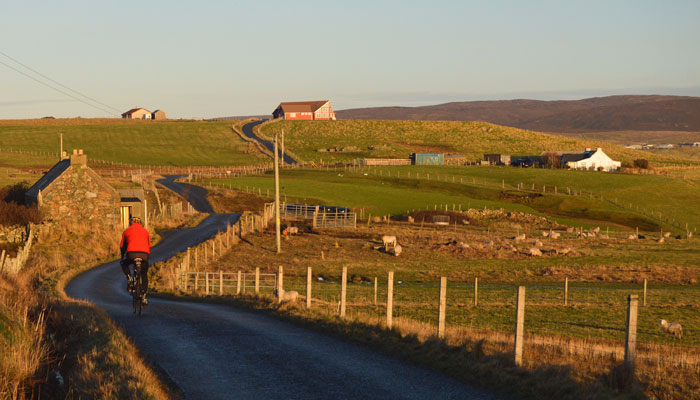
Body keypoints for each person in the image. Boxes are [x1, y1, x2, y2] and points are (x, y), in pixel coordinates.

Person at [120, 216, 151, 306]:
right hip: (144, 255)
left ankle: (130, 279)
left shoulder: (126, 231)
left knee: (124, 263)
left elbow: (122, 246)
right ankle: (144, 296)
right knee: (144, 274)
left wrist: (122, 256)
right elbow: (148, 245)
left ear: (130, 223)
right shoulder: (146, 231)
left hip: (131, 254)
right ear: (140, 223)